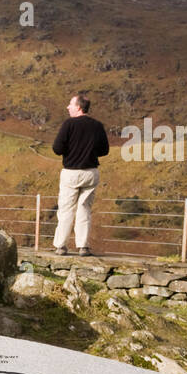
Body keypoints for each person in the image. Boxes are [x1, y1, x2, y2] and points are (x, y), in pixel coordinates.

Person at [50, 93, 110, 256]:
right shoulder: (97, 125)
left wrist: (71, 150)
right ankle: (83, 246)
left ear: (78, 107)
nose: (68, 107)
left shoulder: (69, 124)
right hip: (91, 172)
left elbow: (57, 148)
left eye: (70, 104)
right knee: (84, 209)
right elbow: (104, 150)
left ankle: (61, 245)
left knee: (66, 209)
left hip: (71, 172)